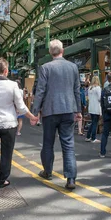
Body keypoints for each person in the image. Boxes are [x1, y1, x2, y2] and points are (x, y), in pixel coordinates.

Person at [32, 39, 81, 190]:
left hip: (50, 111)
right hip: (68, 110)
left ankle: (47, 172)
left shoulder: (45, 68)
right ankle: (71, 179)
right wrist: (78, 110)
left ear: (49, 52)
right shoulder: (73, 67)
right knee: (68, 145)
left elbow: (40, 91)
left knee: (48, 143)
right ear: (62, 51)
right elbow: (76, 90)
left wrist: (35, 112)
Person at [0, 58, 38, 188]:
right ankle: (2, 180)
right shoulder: (13, 85)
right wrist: (32, 117)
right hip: (9, 124)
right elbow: (21, 107)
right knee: (7, 152)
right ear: (6, 70)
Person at [86, 75, 102, 143]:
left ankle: (88, 136)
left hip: (91, 107)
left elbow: (88, 98)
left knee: (93, 122)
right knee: (95, 123)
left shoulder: (90, 88)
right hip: (96, 107)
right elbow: (99, 98)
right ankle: (93, 138)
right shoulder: (98, 88)